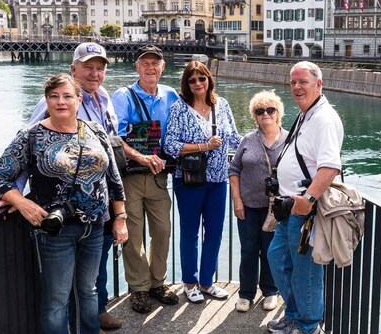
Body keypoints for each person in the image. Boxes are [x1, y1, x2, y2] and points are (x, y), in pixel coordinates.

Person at [0, 74, 127, 334]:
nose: (61, 102)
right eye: (54, 96)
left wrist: (119, 217)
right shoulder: (32, 136)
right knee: (57, 300)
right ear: (46, 100)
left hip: (95, 227)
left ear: (79, 100)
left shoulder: (94, 130)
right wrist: (20, 202)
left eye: (67, 96)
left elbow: (113, 179)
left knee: (88, 293)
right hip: (55, 231)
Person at [28, 42, 122, 334]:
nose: (94, 73)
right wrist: (13, 197)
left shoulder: (103, 98)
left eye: (100, 67)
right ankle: (79, 328)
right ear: (74, 69)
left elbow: (108, 146)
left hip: (98, 202)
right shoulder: (53, 105)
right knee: (68, 279)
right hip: (66, 208)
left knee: (97, 261)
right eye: (88, 67)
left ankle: (97, 312)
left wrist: (118, 210)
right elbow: (27, 150)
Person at [267, 61, 344, 334]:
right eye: (293, 83)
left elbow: (329, 167)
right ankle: (295, 314)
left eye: (303, 82)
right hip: (290, 208)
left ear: (319, 85)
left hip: (306, 211)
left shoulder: (324, 118)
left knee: (305, 269)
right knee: (278, 259)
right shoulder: (306, 114)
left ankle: (308, 326)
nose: (297, 87)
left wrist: (308, 200)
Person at [163, 60, 241, 304]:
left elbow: (235, 138)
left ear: (209, 79)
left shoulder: (222, 105)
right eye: (192, 79)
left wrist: (266, 142)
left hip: (218, 179)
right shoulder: (180, 108)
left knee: (215, 232)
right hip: (189, 180)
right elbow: (170, 145)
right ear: (187, 83)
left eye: (201, 78)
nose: (198, 83)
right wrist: (204, 146)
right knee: (190, 232)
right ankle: (190, 282)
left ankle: (207, 282)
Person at [111, 45, 180, 313]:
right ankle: (139, 287)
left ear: (163, 67)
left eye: (156, 63)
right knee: (134, 235)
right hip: (130, 175)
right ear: (136, 66)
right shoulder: (123, 95)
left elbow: (179, 129)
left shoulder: (171, 95)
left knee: (163, 230)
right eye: (145, 63)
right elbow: (116, 137)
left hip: (159, 174)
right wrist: (140, 157)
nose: (150, 67)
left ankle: (157, 282)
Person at [228, 91, 287, 313]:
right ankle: (246, 293)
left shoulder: (289, 140)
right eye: (260, 111)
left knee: (271, 250)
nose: (265, 114)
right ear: (255, 115)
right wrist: (237, 199)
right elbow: (234, 170)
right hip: (248, 206)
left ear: (278, 113)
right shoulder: (248, 140)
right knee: (249, 249)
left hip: (277, 208)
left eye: (270, 110)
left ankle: (271, 291)